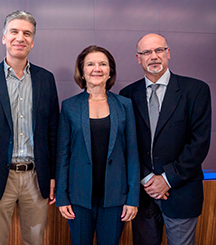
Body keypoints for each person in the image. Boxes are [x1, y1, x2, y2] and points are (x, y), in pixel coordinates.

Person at [0, 10, 59, 245]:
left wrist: (52, 176)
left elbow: (53, 131)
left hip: (36, 177)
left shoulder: (46, 79)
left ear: (32, 41)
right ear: (4, 37)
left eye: (27, 33)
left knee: (35, 241)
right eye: (14, 32)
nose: (20, 37)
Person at [120, 33, 211, 245]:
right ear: (138, 58)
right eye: (147, 52)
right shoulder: (127, 95)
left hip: (181, 192)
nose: (153, 56)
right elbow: (126, 144)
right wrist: (147, 179)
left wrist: (167, 179)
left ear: (168, 53)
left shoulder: (196, 90)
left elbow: (199, 143)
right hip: (142, 195)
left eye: (159, 50)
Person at [56, 45, 140, 245]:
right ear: (82, 71)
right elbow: (63, 156)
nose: (97, 68)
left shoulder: (124, 105)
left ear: (110, 70)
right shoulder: (70, 106)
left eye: (103, 64)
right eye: (91, 64)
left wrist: (132, 198)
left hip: (115, 198)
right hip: (78, 197)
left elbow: (132, 155)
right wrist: (62, 197)